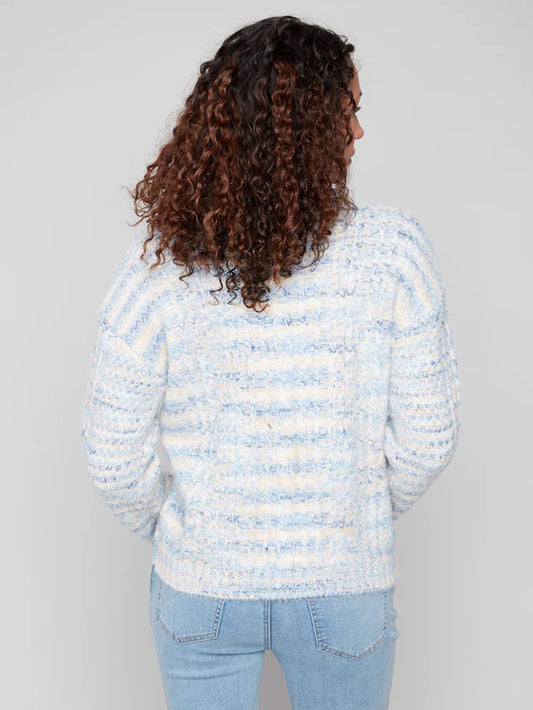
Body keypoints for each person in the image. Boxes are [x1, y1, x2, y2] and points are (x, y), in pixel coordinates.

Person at [81, 14, 461, 710]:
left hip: (202, 587)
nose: (359, 131)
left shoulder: (156, 268)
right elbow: (428, 439)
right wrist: (348, 514)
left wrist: (190, 528)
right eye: (349, 110)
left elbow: (111, 456)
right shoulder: (394, 252)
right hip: (343, 585)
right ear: (310, 127)